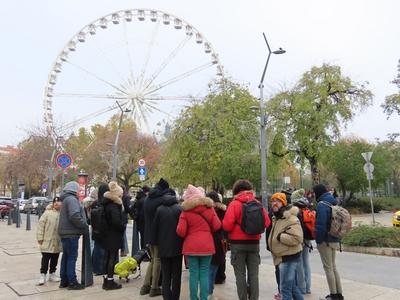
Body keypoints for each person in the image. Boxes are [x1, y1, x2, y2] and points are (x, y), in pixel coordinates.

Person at [222, 180, 270, 300]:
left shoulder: (234, 204)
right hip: (254, 243)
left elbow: (227, 226)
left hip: (237, 245)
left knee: (240, 275)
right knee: (254, 275)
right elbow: (267, 222)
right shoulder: (257, 203)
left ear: (236, 191)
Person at [177, 184, 221, 300]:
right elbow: (217, 226)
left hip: (191, 248)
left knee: (194, 274)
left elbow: (180, 231)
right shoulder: (209, 208)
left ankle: (193, 298)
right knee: (204, 273)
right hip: (207, 246)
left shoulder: (185, 212)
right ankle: (204, 298)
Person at [267, 192, 304, 300]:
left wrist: (280, 237)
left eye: (277, 201)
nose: (274, 203)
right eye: (273, 201)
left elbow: (297, 238)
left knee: (285, 289)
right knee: (292, 287)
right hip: (282, 258)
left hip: (288, 258)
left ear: (283, 203)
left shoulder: (291, 218)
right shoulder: (277, 217)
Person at [140, 178, 171, 297]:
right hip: (157, 235)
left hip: (148, 234)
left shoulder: (148, 198)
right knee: (157, 260)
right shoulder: (160, 200)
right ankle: (154, 288)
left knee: (153, 260)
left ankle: (145, 286)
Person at [314, 184, 344, 300]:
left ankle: (333, 295)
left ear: (318, 193)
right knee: (333, 267)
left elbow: (320, 225)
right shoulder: (333, 202)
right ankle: (339, 294)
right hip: (334, 238)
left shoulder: (322, 205)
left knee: (328, 268)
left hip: (325, 240)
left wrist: (318, 240)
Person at [153, 186, 183, 300]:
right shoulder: (179, 209)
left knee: (166, 275)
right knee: (176, 275)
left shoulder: (159, 209)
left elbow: (155, 229)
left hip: (163, 247)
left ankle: (166, 297)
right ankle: (175, 297)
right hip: (177, 247)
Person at [58, 181, 88, 290]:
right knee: (71, 258)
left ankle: (64, 281)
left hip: (66, 233)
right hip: (71, 233)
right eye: (78, 190)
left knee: (66, 257)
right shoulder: (71, 199)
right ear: (74, 190)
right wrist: (83, 225)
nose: (79, 192)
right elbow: (74, 215)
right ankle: (72, 282)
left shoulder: (66, 199)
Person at [100, 181, 126, 290]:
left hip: (107, 234)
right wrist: (122, 226)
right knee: (112, 257)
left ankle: (106, 280)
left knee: (107, 257)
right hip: (113, 235)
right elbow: (116, 221)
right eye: (120, 194)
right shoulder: (113, 206)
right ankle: (110, 282)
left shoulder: (106, 204)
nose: (121, 196)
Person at [37, 196, 63, 285]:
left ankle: (52, 273)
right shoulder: (47, 213)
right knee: (45, 258)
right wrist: (40, 238)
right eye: (54, 201)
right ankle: (43, 274)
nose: (56, 203)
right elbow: (41, 226)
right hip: (47, 240)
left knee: (55, 258)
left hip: (57, 241)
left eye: (58, 201)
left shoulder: (62, 214)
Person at [291, 188, 312, 295]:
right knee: (306, 262)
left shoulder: (295, 210)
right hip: (308, 239)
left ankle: (302, 288)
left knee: (299, 263)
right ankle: (308, 287)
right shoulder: (306, 206)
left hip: (300, 240)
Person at [206, 191, 226, 299]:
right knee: (213, 268)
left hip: (206, 240)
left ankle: (208, 292)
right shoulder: (222, 211)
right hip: (218, 241)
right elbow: (223, 226)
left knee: (208, 269)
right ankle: (209, 293)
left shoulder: (205, 210)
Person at [91, 184, 108, 275]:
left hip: (96, 230)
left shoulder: (95, 203)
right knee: (102, 250)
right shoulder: (106, 203)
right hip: (104, 230)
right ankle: (100, 269)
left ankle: (95, 267)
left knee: (97, 248)